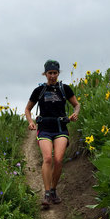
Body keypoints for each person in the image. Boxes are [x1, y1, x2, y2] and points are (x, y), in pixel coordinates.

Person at [25, 59, 80, 208]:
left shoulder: (65, 89)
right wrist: (30, 122)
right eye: (50, 73)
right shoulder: (39, 91)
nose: (52, 76)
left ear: (58, 73)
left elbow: (76, 105)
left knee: (58, 159)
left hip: (61, 127)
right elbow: (27, 109)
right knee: (48, 158)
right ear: (45, 74)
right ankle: (47, 193)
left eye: (55, 73)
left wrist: (75, 114)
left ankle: (54, 190)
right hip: (44, 128)